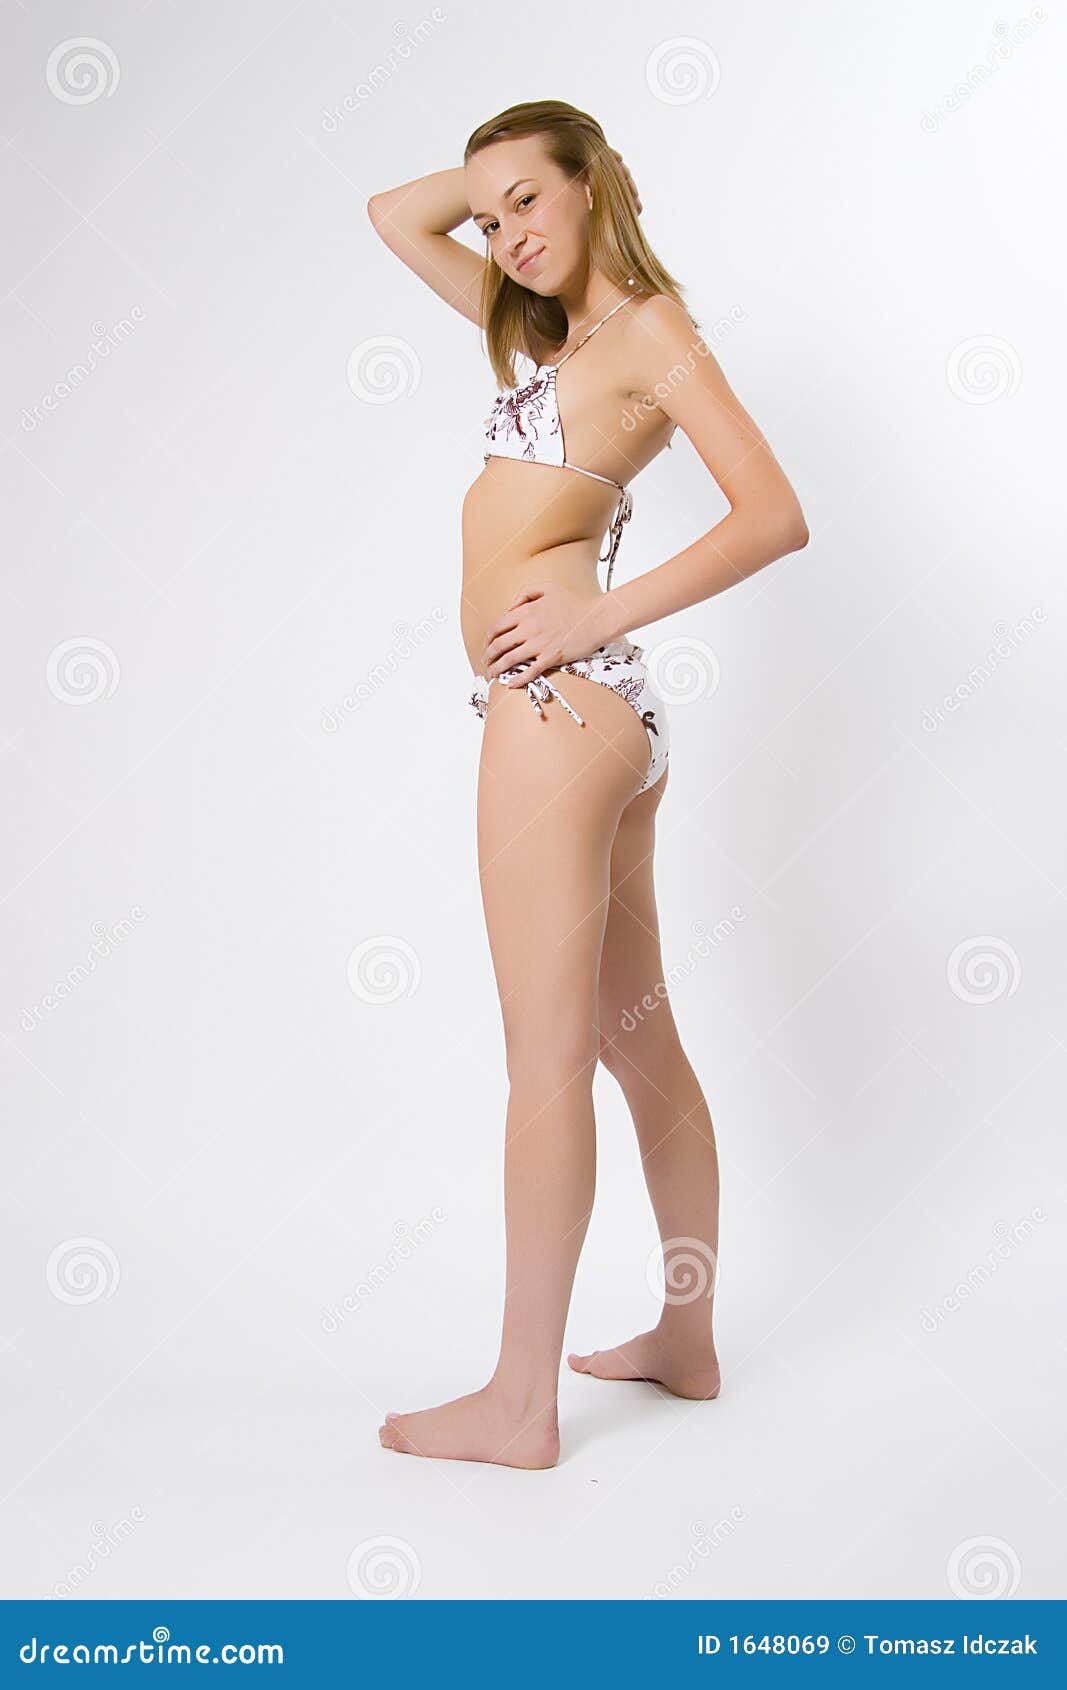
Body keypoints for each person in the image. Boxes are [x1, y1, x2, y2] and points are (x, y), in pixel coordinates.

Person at [367, 99, 808, 1469]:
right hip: (601, 723)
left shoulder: (651, 336)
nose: (504, 234)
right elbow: (393, 217)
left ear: (597, 182)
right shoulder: (549, 332)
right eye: (492, 216)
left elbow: (774, 513)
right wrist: (509, 187)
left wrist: (588, 618)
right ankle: (685, 1338)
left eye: (530, 204)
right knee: (635, 1041)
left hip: (560, 710)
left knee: (546, 1062)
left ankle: (517, 1402)